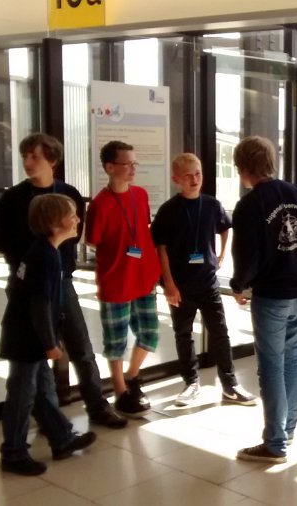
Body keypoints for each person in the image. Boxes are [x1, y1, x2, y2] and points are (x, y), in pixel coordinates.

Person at [0, 133, 127, 429]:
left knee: (81, 347)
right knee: (35, 356)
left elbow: (74, 236)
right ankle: (51, 422)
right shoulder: (12, 199)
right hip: (25, 284)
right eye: (25, 156)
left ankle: (97, 406)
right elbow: (1, 242)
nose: (28, 162)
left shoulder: (69, 193)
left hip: (62, 282)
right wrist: (39, 252)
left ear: (52, 161)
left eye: (35, 156)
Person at [230, 136, 297, 464]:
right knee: (293, 359)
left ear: (243, 168)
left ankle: (274, 443)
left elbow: (247, 254)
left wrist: (239, 284)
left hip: (272, 295)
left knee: (271, 366)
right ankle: (287, 429)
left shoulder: (250, 205)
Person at [0, 194, 97, 476]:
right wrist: (50, 342)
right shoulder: (45, 257)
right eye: (72, 215)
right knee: (22, 396)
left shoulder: (45, 251)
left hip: (30, 336)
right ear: (54, 224)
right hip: (26, 339)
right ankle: (13, 453)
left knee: (40, 390)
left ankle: (61, 438)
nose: (78, 219)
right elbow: (40, 305)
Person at [151, 153, 257, 407]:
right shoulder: (169, 210)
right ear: (176, 179)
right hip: (180, 284)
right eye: (188, 175)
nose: (194, 179)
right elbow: (160, 248)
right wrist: (168, 283)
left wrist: (221, 254)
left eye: (197, 174)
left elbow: (225, 227)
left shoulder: (211, 204)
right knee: (183, 334)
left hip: (207, 282)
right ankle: (191, 383)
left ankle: (230, 384)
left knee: (220, 333)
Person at [85, 141, 162, 418]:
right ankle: (120, 391)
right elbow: (92, 241)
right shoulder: (100, 204)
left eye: (134, 163)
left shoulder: (140, 195)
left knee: (150, 333)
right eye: (126, 163)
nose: (132, 168)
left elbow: (143, 228)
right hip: (116, 280)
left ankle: (131, 376)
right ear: (109, 167)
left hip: (144, 276)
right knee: (116, 339)